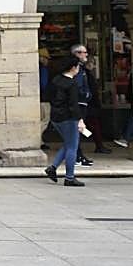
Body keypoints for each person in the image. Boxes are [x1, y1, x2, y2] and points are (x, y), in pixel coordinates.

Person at [44, 56, 85, 187]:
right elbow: (73, 104)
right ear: (73, 68)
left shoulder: (56, 80)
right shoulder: (72, 84)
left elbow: (49, 95)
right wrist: (80, 120)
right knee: (73, 146)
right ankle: (69, 177)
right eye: (78, 66)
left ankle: (53, 168)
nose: (78, 69)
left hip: (56, 116)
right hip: (68, 117)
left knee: (68, 144)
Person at [72, 43, 107, 158]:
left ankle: (79, 154)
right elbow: (77, 86)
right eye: (84, 52)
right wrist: (85, 95)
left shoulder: (81, 69)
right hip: (79, 103)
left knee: (79, 129)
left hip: (84, 103)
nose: (86, 54)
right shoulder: (76, 68)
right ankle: (77, 155)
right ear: (77, 54)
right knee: (77, 129)